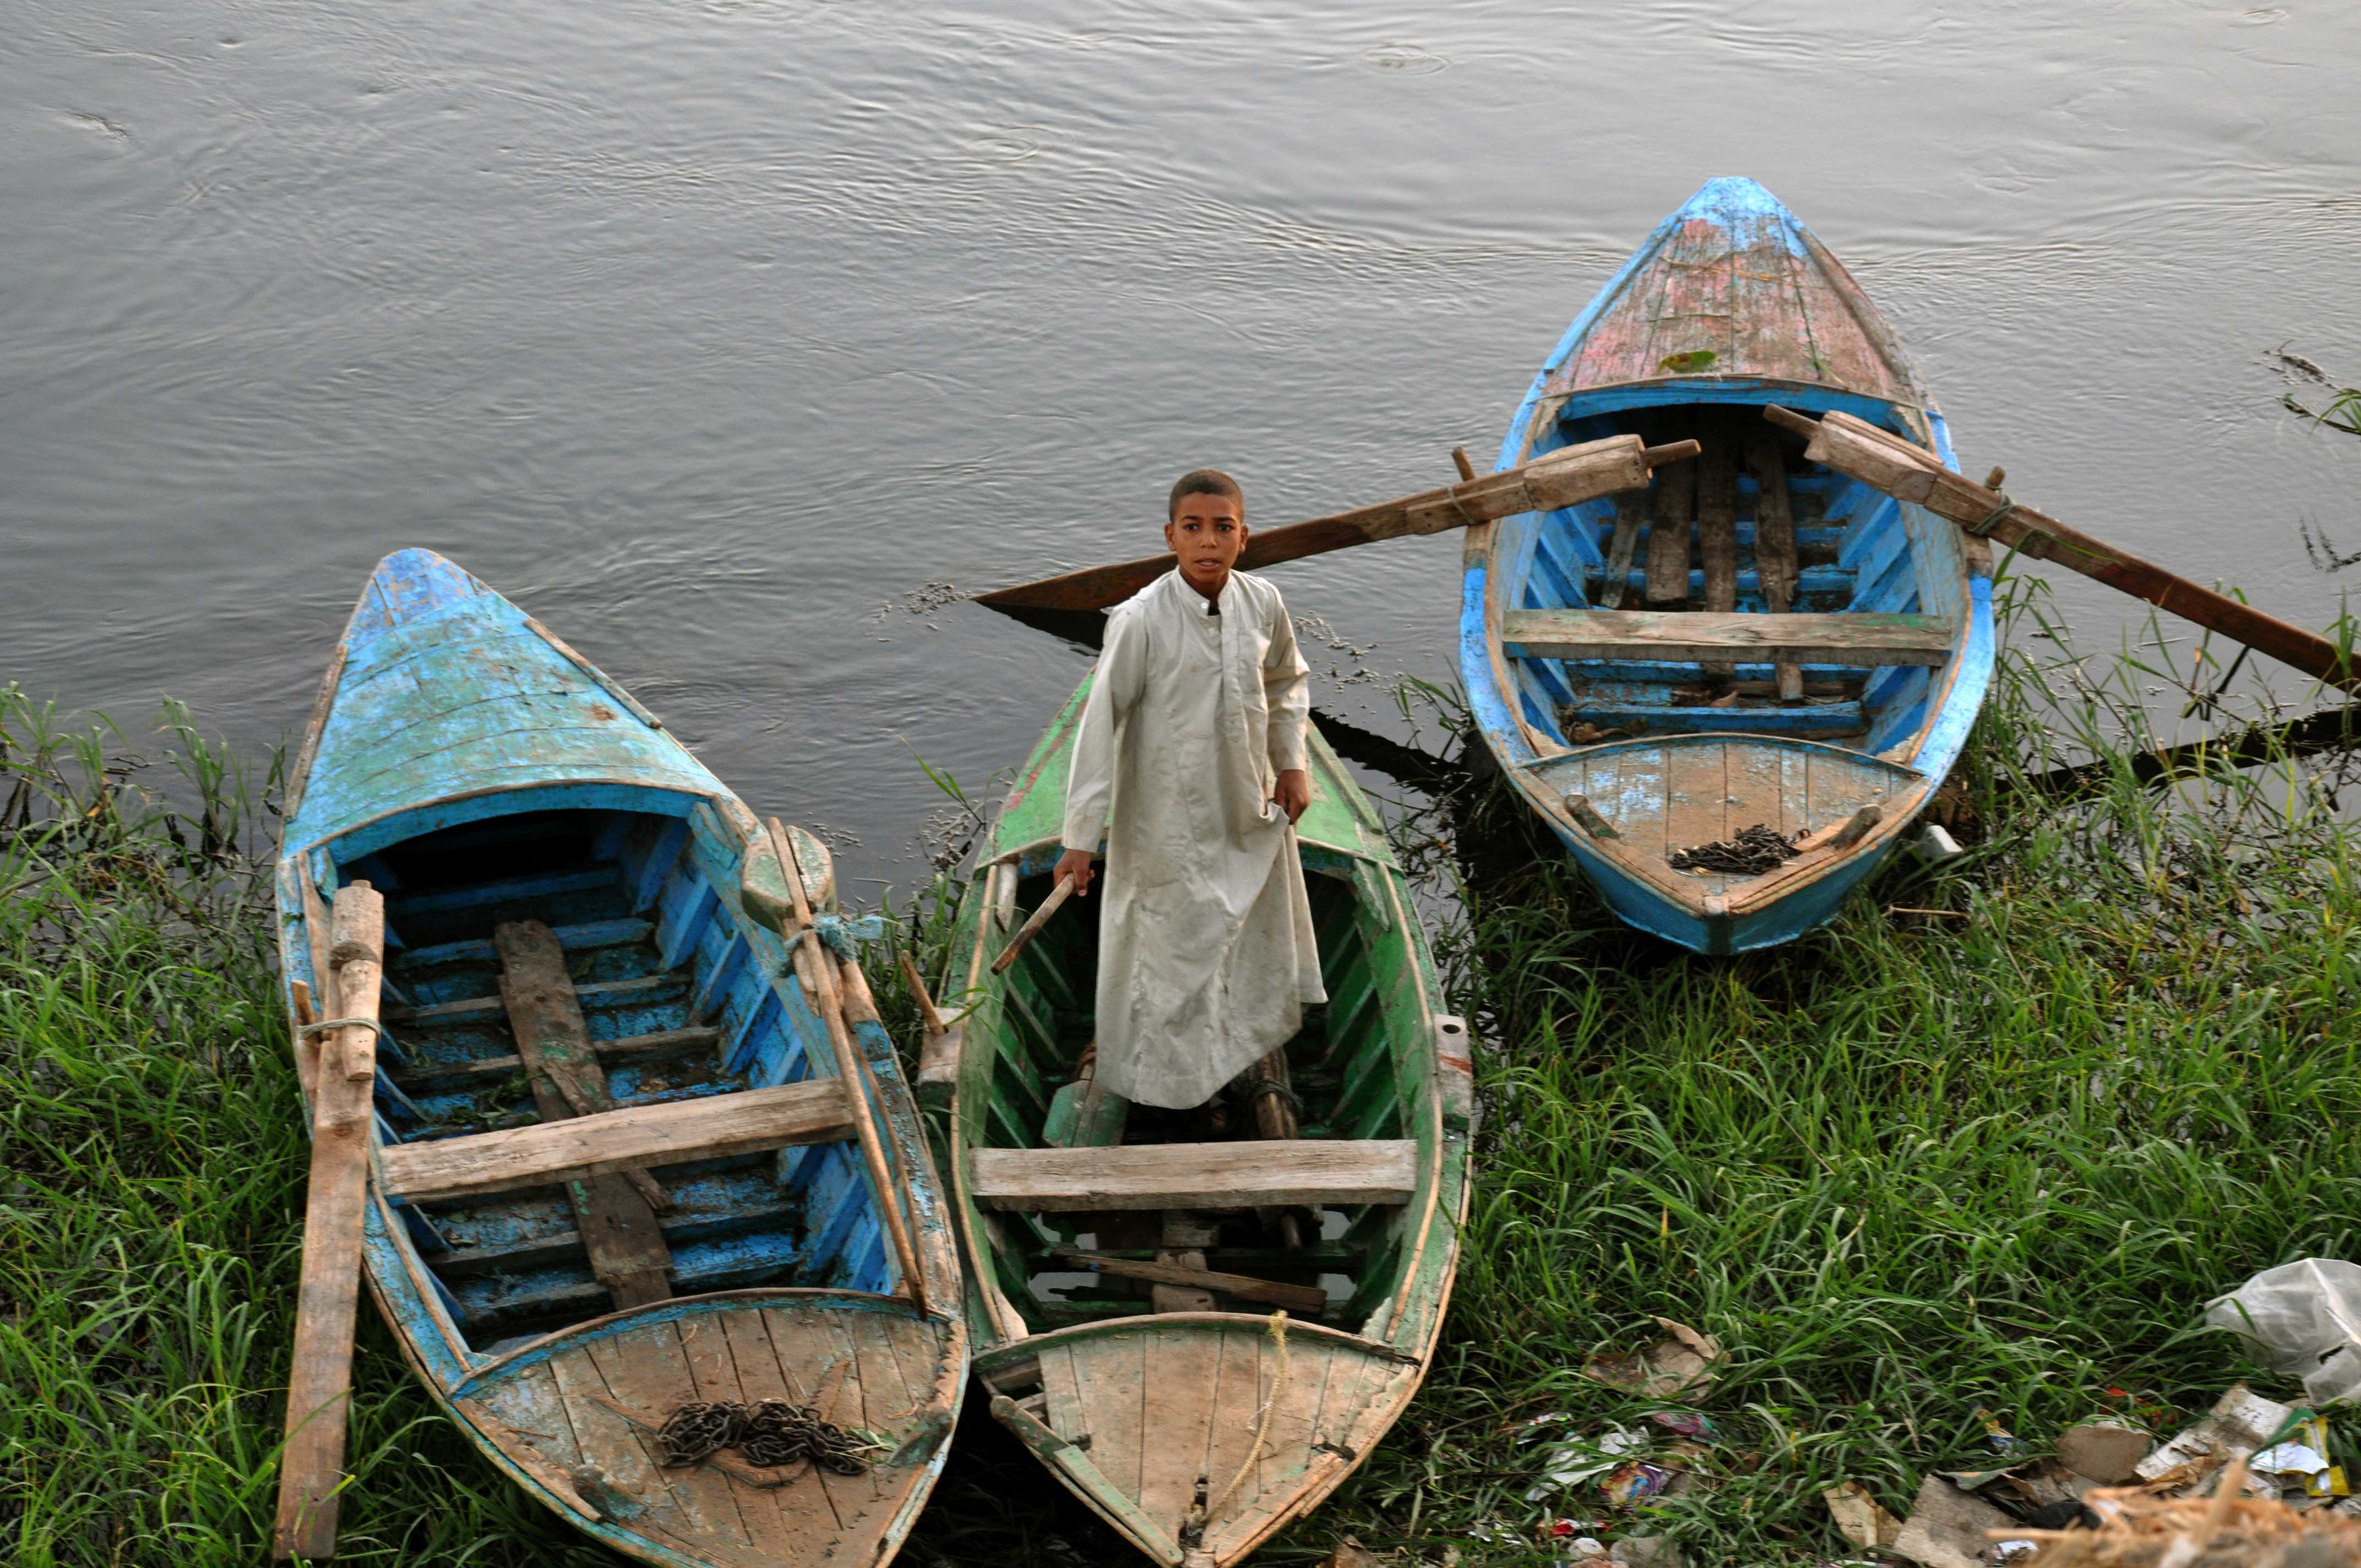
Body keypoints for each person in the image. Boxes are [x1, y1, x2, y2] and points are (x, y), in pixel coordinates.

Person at [1053, 469, 1326, 1111]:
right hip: (1164, 820)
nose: (1209, 542)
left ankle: (1229, 1054)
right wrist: (1079, 839)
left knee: (1237, 932)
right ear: (1170, 537)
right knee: (1166, 954)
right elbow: (1098, 730)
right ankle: (1158, 1086)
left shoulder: (1263, 601)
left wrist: (1292, 763)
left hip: (1243, 805)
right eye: (1194, 528)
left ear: (1243, 536)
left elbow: (1286, 681)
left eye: (1223, 528)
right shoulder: (1139, 619)